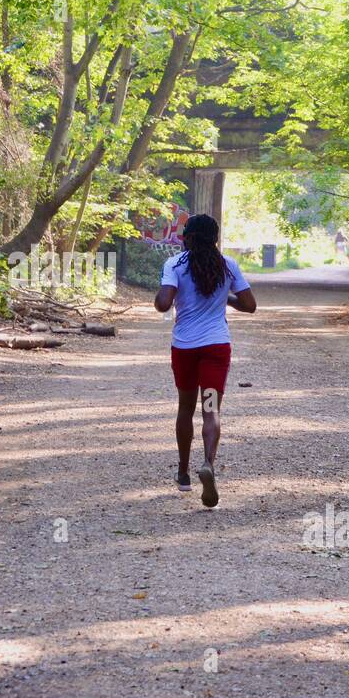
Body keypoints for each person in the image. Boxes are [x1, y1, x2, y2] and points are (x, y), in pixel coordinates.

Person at [153, 214, 256, 508]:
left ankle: (184, 474)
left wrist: (163, 295)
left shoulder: (175, 264)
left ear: (187, 237)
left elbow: (163, 304)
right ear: (214, 238)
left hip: (185, 348)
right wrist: (225, 298)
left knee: (186, 407)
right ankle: (208, 463)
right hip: (216, 348)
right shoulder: (227, 265)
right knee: (210, 409)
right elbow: (249, 305)